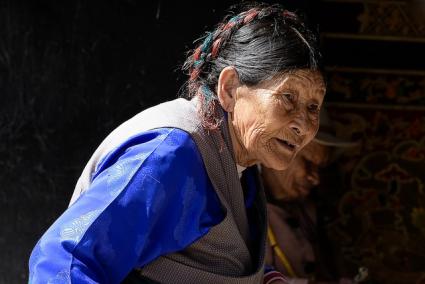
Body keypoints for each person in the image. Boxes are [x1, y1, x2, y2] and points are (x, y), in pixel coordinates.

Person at [28, 3, 326, 283]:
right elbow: (64, 258)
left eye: (313, 107)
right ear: (231, 89)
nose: (303, 123)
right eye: (288, 98)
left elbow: (211, 265)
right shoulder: (171, 154)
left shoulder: (239, 166)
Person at [261, 109, 359, 284]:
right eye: (308, 163)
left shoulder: (308, 208)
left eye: (320, 167)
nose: (316, 179)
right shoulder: (238, 206)